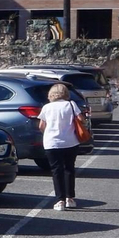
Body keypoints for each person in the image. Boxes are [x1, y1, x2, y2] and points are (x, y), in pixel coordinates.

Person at [37, 82, 83, 210]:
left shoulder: (47, 107)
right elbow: (81, 119)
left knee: (57, 171)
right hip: (70, 141)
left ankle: (60, 201)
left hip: (52, 142)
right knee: (69, 169)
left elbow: (41, 126)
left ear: (51, 94)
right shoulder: (71, 104)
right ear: (65, 93)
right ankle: (70, 198)